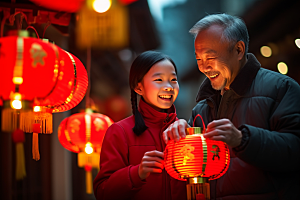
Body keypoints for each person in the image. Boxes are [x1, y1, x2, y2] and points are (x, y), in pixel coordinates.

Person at [163, 13, 300, 199]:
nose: (204, 67)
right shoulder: (201, 109)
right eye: (198, 59)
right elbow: (194, 167)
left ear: (238, 50)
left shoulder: (281, 88)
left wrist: (242, 139)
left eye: (210, 57)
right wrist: (181, 135)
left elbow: (295, 149)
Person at [93, 51, 187, 200]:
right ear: (138, 88)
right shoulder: (119, 132)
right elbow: (102, 192)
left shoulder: (187, 133)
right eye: (159, 79)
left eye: (173, 79)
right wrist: (137, 173)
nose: (169, 86)